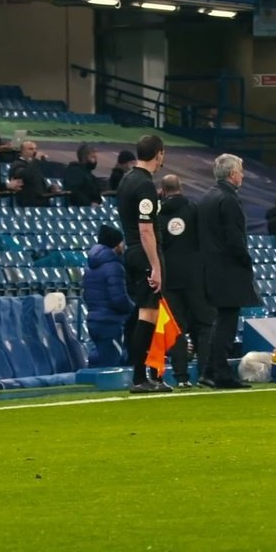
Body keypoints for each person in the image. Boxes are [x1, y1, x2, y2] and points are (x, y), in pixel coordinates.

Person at [198, 153, 260, 389]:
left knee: (222, 321)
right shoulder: (229, 199)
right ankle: (220, 373)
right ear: (233, 174)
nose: (242, 175)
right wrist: (245, 260)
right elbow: (235, 239)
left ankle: (210, 371)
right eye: (241, 171)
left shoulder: (207, 198)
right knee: (227, 323)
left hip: (211, 268)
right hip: (228, 270)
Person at [116, 134, 171, 393]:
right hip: (144, 251)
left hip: (132, 251)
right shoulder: (145, 185)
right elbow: (146, 230)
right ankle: (140, 377)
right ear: (159, 154)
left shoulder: (127, 179)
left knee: (144, 313)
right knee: (148, 314)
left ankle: (146, 375)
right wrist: (156, 267)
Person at [157, 174, 215, 388]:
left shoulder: (158, 214)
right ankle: (204, 373)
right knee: (204, 324)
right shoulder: (193, 209)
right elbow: (204, 239)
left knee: (177, 327)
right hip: (195, 276)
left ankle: (181, 377)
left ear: (162, 190)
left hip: (170, 277)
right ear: (180, 188)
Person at [83, 224, 134, 368]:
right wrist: (134, 309)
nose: (123, 246)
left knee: (102, 361)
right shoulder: (113, 266)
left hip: (93, 320)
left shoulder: (90, 266)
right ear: (116, 244)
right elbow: (118, 299)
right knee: (111, 367)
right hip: (109, 322)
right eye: (121, 242)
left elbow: (86, 295)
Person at [10, 140, 62, 207]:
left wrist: (49, 189)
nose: (34, 151)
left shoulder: (34, 165)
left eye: (35, 149)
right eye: (30, 149)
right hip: (27, 204)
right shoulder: (17, 164)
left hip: (40, 203)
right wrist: (36, 160)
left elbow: (36, 186)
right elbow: (26, 175)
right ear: (21, 152)